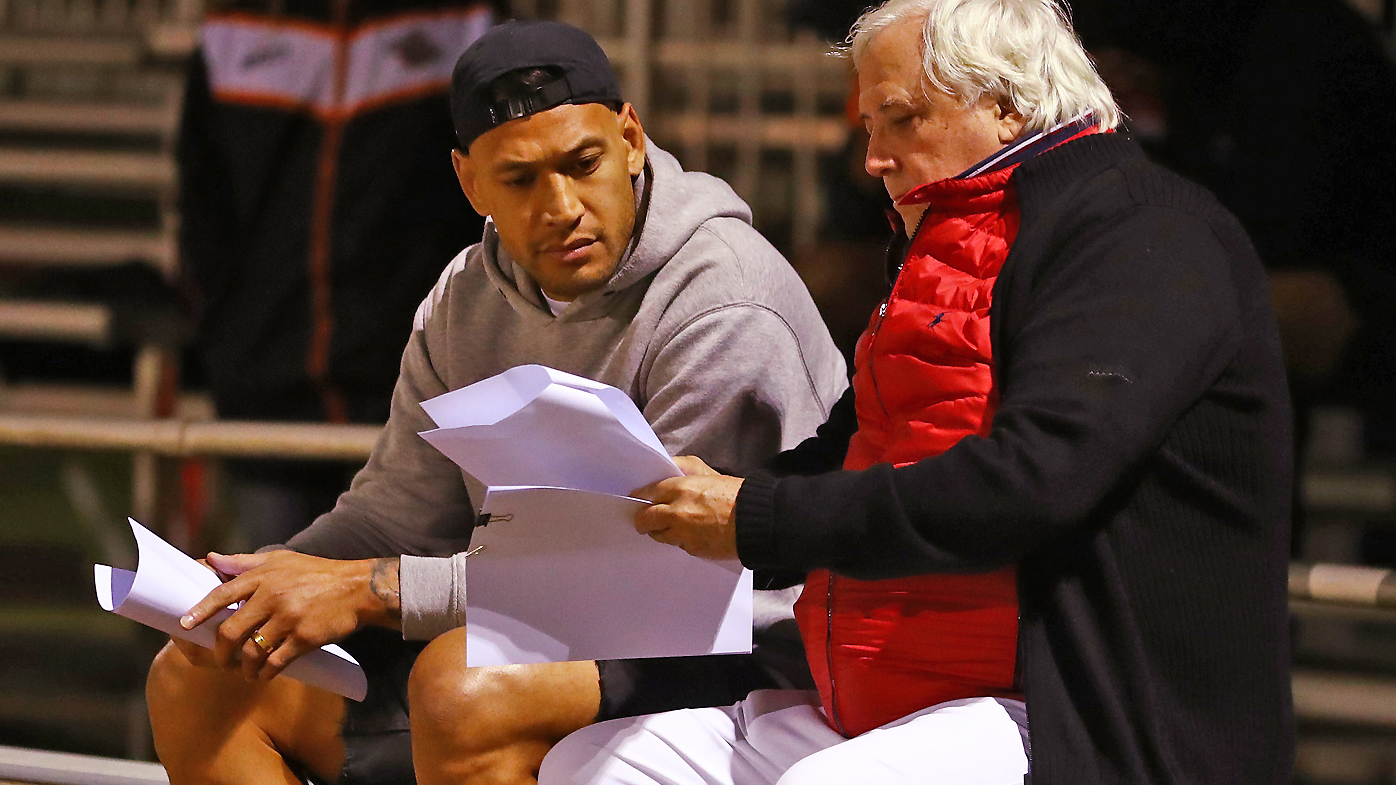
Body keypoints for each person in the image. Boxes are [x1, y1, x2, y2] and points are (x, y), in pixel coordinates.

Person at [538, 0, 1294, 783]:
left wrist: (756, 519)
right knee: (592, 766)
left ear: (1006, 106)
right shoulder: (944, 233)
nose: (872, 157)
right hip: (879, 691)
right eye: (868, 126)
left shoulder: (1143, 231)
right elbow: (857, 447)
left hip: (1065, 709)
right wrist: (712, 506)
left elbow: (1038, 476)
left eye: (899, 120)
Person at [147, 20, 848, 785]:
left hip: (737, 645)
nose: (562, 206)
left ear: (632, 140)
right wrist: (267, 579)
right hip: (552, 622)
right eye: (519, 180)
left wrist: (366, 590)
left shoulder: (723, 300)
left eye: (584, 164)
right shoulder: (462, 298)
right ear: (470, 184)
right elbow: (393, 513)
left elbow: (660, 583)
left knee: (462, 685)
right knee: (202, 671)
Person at [179, 0, 498, 548]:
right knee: (273, 615)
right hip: (262, 382)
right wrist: (225, 331)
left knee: (404, 614)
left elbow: (490, 195)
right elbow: (204, 202)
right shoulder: (235, 28)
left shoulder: (462, 22)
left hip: (413, 386)